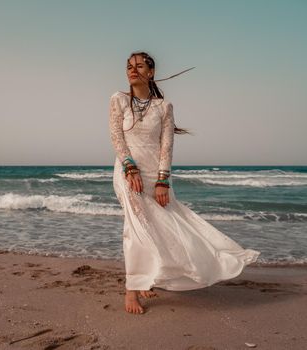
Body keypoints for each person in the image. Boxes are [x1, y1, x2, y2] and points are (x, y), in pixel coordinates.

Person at [109, 51, 260, 314]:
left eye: (139, 66)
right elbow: (116, 138)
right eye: (129, 66)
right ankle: (132, 290)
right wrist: (129, 168)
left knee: (163, 226)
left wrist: (162, 181)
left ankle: (149, 277)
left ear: (151, 72)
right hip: (126, 172)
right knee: (136, 228)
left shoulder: (163, 107)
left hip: (154, 174)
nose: (133, 70)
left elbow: (166, 147)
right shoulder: (118, 100)